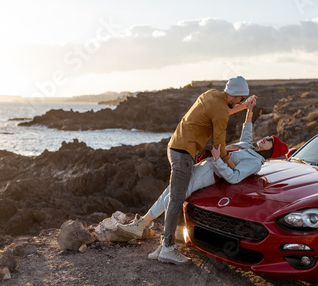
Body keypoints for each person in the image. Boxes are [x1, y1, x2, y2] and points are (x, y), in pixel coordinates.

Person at [118, 96, 289, 262]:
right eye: (267, 137)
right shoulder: (249, 147)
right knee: (170, 191)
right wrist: (249, 110)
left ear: (270, 151)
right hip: (205, 165)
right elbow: (246, 131)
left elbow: (234, 177)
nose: (265, 138)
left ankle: (160, 242)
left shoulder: (255, 163)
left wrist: (217, 159)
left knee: (174, 197)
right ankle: (143, 225)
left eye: (269, 141)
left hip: (209, 173)